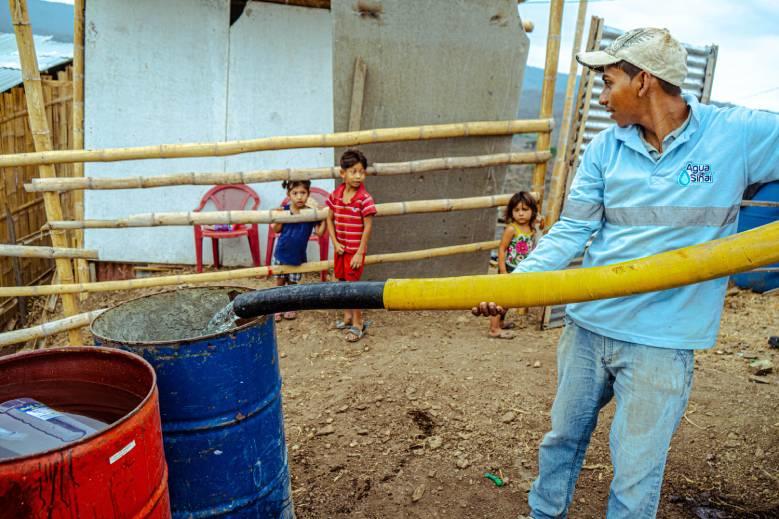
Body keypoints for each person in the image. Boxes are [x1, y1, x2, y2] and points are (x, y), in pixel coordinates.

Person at [473, 27, 779, 518]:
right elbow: (573, 230)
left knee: (637, 472)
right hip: (590, 327)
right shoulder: (604, 149)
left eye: (608, 80)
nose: (601, 94)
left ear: (644, 82)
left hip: (664, 340)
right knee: (561, 442)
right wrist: (515, 284)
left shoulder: (735, 135)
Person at [326, 149, 377, 342]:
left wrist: (360, 252)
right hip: (341, 249)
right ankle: (347, 316)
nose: (358, 176)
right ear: (343, 174)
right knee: (341, 281)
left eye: (361, 172)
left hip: (355, 251)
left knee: (354, 287)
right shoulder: (336, 195)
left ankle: (358, 323)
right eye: (353, 171)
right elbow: (329, 219)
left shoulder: (364, 199)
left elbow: (368, 226)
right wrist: (335, 242)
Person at [270, 179, 326, 322]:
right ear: (289, 195)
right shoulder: (285, 210)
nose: (299, 196)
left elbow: (319, 232)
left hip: (297, 256)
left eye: (303, 193)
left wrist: (324, 216)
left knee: (292, 284)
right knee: (280, 281)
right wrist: (279, 216)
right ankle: (277, 307)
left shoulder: (311, 213)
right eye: (295, 193)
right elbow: (276, 229)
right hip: (281, 252)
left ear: (309, 194)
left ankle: (290, 306)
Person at [488, 191, 539, 339]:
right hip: (509, 268)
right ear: (511, 212)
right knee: (502, 299)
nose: (521, 214)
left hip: (521, 269)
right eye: (517, 210)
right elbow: (502, 248)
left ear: (532, 211)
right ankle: (493, 329)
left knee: (509, 300)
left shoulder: (531, 228)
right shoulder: (512, 229)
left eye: (525, 210)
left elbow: (542, 224)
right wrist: (502, 270)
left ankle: (500, 323)